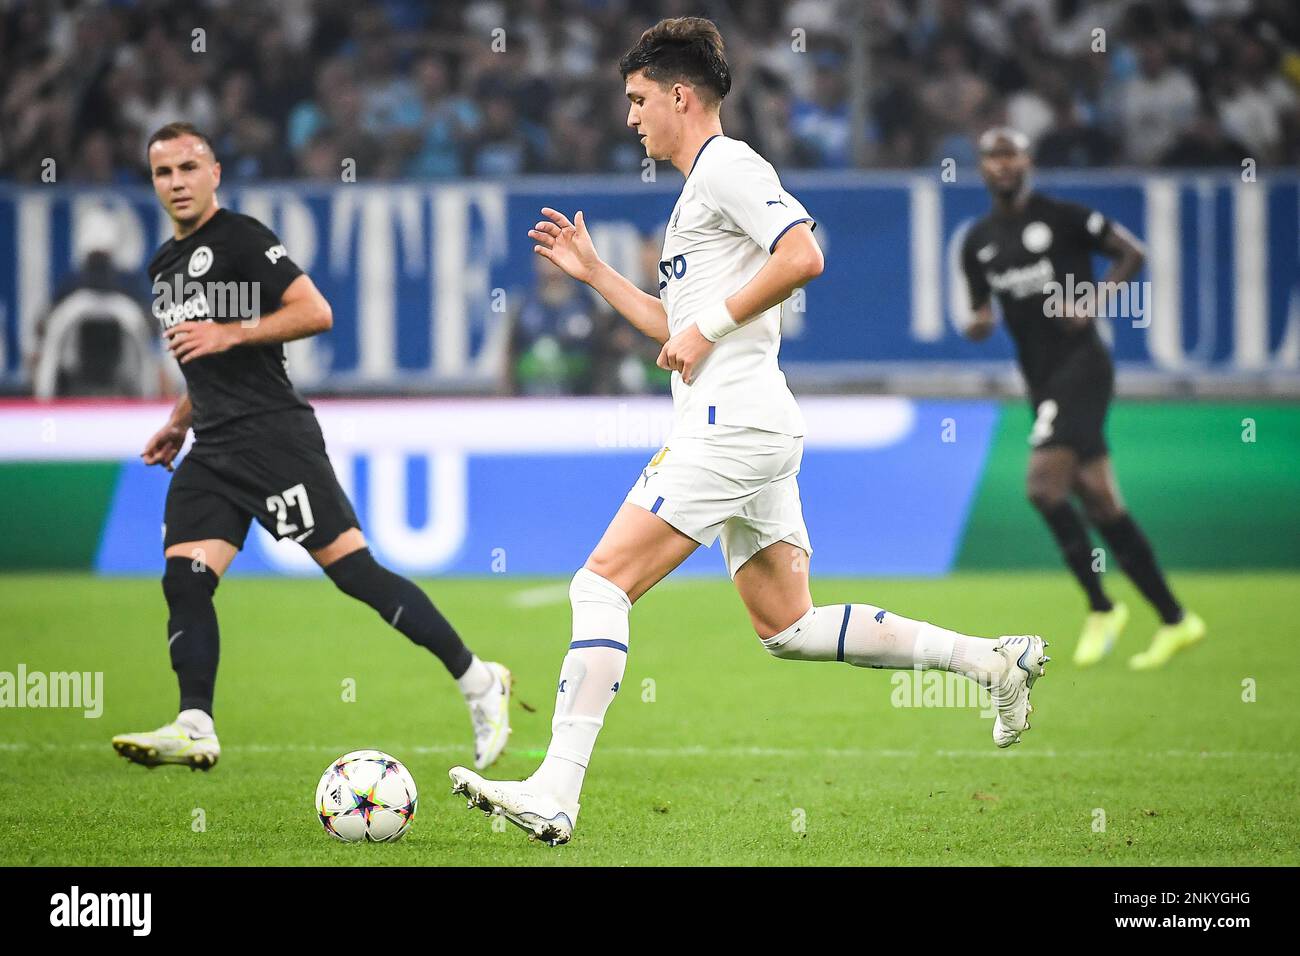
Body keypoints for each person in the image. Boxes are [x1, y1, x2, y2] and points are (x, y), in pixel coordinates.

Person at [447, 19, 1048, 847]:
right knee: (787, 627)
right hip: (747, 421)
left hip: (733, 424)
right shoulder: (698, 191)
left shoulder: (728, 166)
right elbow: (677, 328)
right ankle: (990, 660)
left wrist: (709, 328)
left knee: (600, 586)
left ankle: (556, 789)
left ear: (680, 95)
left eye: (637, 100)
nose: (630, 119)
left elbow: (803, 255)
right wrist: (596, 274)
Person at [111, 123, 512, 771]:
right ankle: (195, 723)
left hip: (274, 439)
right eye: (164, 173)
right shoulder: (163, 266)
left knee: (354, 573)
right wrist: (181, 420)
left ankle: (478, 680)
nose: (178, 182)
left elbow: (315, 311)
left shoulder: (242, 239)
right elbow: (202, 357)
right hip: (212, 447)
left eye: (189, 167)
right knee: (184, 580)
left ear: (214, 172)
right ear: (152, 182)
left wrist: (230, 331)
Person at [960, 127, 1205, 671]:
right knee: (1100, 500)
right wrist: (978, 322)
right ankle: (1175, 618)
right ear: (981, 168)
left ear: (1027, 161)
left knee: (1043, 488)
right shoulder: (977, 241)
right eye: (991, 156)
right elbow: (981, 309)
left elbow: (1130, 253)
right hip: (1042, 380)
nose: (1001, 165)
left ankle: (1101, 606)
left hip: (1083, 368)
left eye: (1010, 154)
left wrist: (1095, 297)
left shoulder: (1065, 217)